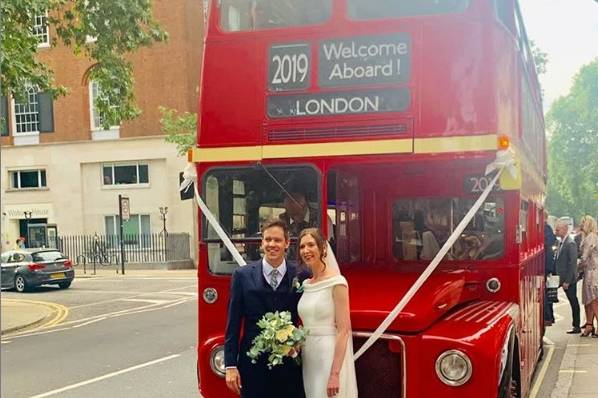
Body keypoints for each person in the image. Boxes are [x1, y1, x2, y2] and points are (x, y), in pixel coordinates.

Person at [224, 220, 309, 398]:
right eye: (267, 239)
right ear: (261, 243)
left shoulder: (301, 275)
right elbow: (232, 324)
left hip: (289, 365)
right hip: (253, 365)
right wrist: (230, 365)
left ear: (287, 243)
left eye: (277, 240)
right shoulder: (242, 276)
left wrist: (300, 341)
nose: (272, 244)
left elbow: (309, 314)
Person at [297, 228, 358, 398]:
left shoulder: (337, 282)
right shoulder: (307, 284)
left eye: (311, 245)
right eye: (302, 247)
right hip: (309, 356)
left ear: (322, 248)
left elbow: (344, 330)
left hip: (329, 354)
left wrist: (335, 374)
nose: (306, 251)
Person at [554, 218, 581, 334]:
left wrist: (568, 281)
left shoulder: (570, 243)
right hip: (561, 278)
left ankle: (576, 326)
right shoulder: (562, 242)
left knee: (573, 302)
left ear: (565, 229)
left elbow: (572, 264)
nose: (556, 232)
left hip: (568, 280)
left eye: (558, 229)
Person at [579, 215, 598, 338]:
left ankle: (592, 326)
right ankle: (589, 325)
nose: (580, 226)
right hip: (591, 271)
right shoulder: (592, 236)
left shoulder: (591, 237)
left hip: (592, 272)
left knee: (593, 300)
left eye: (582, 223)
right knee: (588, 300)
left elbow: (585, 257)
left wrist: (577, 267)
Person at [544, 221, 557, 326]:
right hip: (547, 265)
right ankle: (550, 316)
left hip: (546, 265)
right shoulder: (547, 228)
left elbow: (549, 241)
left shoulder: (546, 228)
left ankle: (548, 316)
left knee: (546, 292)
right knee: (548, 292)